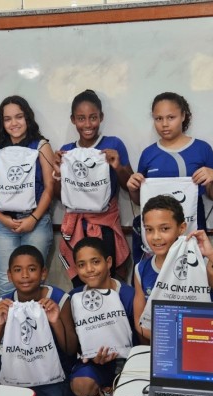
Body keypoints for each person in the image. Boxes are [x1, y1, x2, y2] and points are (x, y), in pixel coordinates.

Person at [0, 245, 78, 396]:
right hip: (17, 366)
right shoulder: (5, 301)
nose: (25, 275)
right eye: (18, 270)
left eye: (32, 269)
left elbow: (71, 350)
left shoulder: (59, 299)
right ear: (9, 275)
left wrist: (56, 322)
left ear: (43, 273)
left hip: (50, 372)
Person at [132, 195, 213, 341]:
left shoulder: (201, 264)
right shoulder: (141, 269)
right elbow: (140, 324)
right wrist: (173, 338)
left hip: (201, 344)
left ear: (181, 228)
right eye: (149, 230)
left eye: (164, 229)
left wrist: (212, 255)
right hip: (164, 347)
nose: (156, 237)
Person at [126, 92, 213, 262]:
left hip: (193, 223)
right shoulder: (148, 154)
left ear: (183, 116)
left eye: (171, 117)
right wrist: (132, 188)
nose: (164, 124)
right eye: (158, 119)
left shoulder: (202, 149)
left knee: (190, 276)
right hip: (156, 229)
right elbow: (140, 201)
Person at [54, 90, 132, 286]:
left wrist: (118, 167)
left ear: (101, 117)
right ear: (73, 120)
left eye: (93, 118)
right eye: (81, 118)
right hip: (77, 226)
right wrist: (57, 174)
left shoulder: (113, 144)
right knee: (82, 283)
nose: (87, 124)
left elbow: (129, 186)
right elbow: (61, 197)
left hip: (105, 226)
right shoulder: (68, 151)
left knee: (109, 280)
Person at [0, 96, 55, 296]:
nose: (14, 123)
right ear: (2, 123)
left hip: (36, 223)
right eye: (7, 119)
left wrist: (33, 219)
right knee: (6, 285)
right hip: (4, 225)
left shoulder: (41, 146)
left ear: (28, 118)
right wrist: (3, 219)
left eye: (19, 117)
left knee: (33, 285)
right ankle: (8, 327)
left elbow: (50, 187)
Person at [68, 237, 136, 396]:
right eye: (82, 265)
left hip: (128, 364)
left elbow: (139, 342)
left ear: (108, 262)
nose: (89, 269)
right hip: (96, 364)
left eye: (95, 262)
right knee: (82, 386)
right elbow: (75, 343)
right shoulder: (74, 297)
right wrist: (89, 357)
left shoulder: (129, 295)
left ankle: (117, 395)